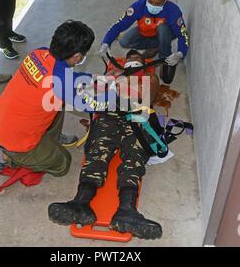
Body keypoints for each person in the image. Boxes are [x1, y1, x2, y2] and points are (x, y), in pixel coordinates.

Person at [48, 50, 163, 240]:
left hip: (136, 114)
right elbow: (93, 95)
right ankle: (80, 203)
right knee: (97, 151)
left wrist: (132, 82)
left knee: (134, 156)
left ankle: (127, 210)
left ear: (142, 63)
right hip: (108, 112)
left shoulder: (148, 77)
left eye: (137, 60)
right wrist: (108, 83)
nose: (133, 61)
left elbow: (148, 96)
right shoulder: (112, 76)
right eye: (130, 59)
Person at [0, 20, 117, 177]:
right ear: (77, 57)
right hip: (14, 141)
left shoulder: (39, 53)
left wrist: (98, 78)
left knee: (57, 99)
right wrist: (114, 93)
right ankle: (5, 157)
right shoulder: (61, 83)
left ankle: (49, 140)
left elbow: (68, 78)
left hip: (4, 123)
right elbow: (93, 105)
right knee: (63, 164)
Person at [99, 0, 190, 84]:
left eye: (158, 3)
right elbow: (119, 25)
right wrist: (106, 42)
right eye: (151, 1)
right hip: (145, 32)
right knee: (124, 41)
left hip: (165, 34)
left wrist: (180, 53)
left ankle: (163, 57)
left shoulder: (173, 11)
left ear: (166, 0)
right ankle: (155, 47)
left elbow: (183, 35)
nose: (153, 6)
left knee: (163, 28)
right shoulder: (139, 6)